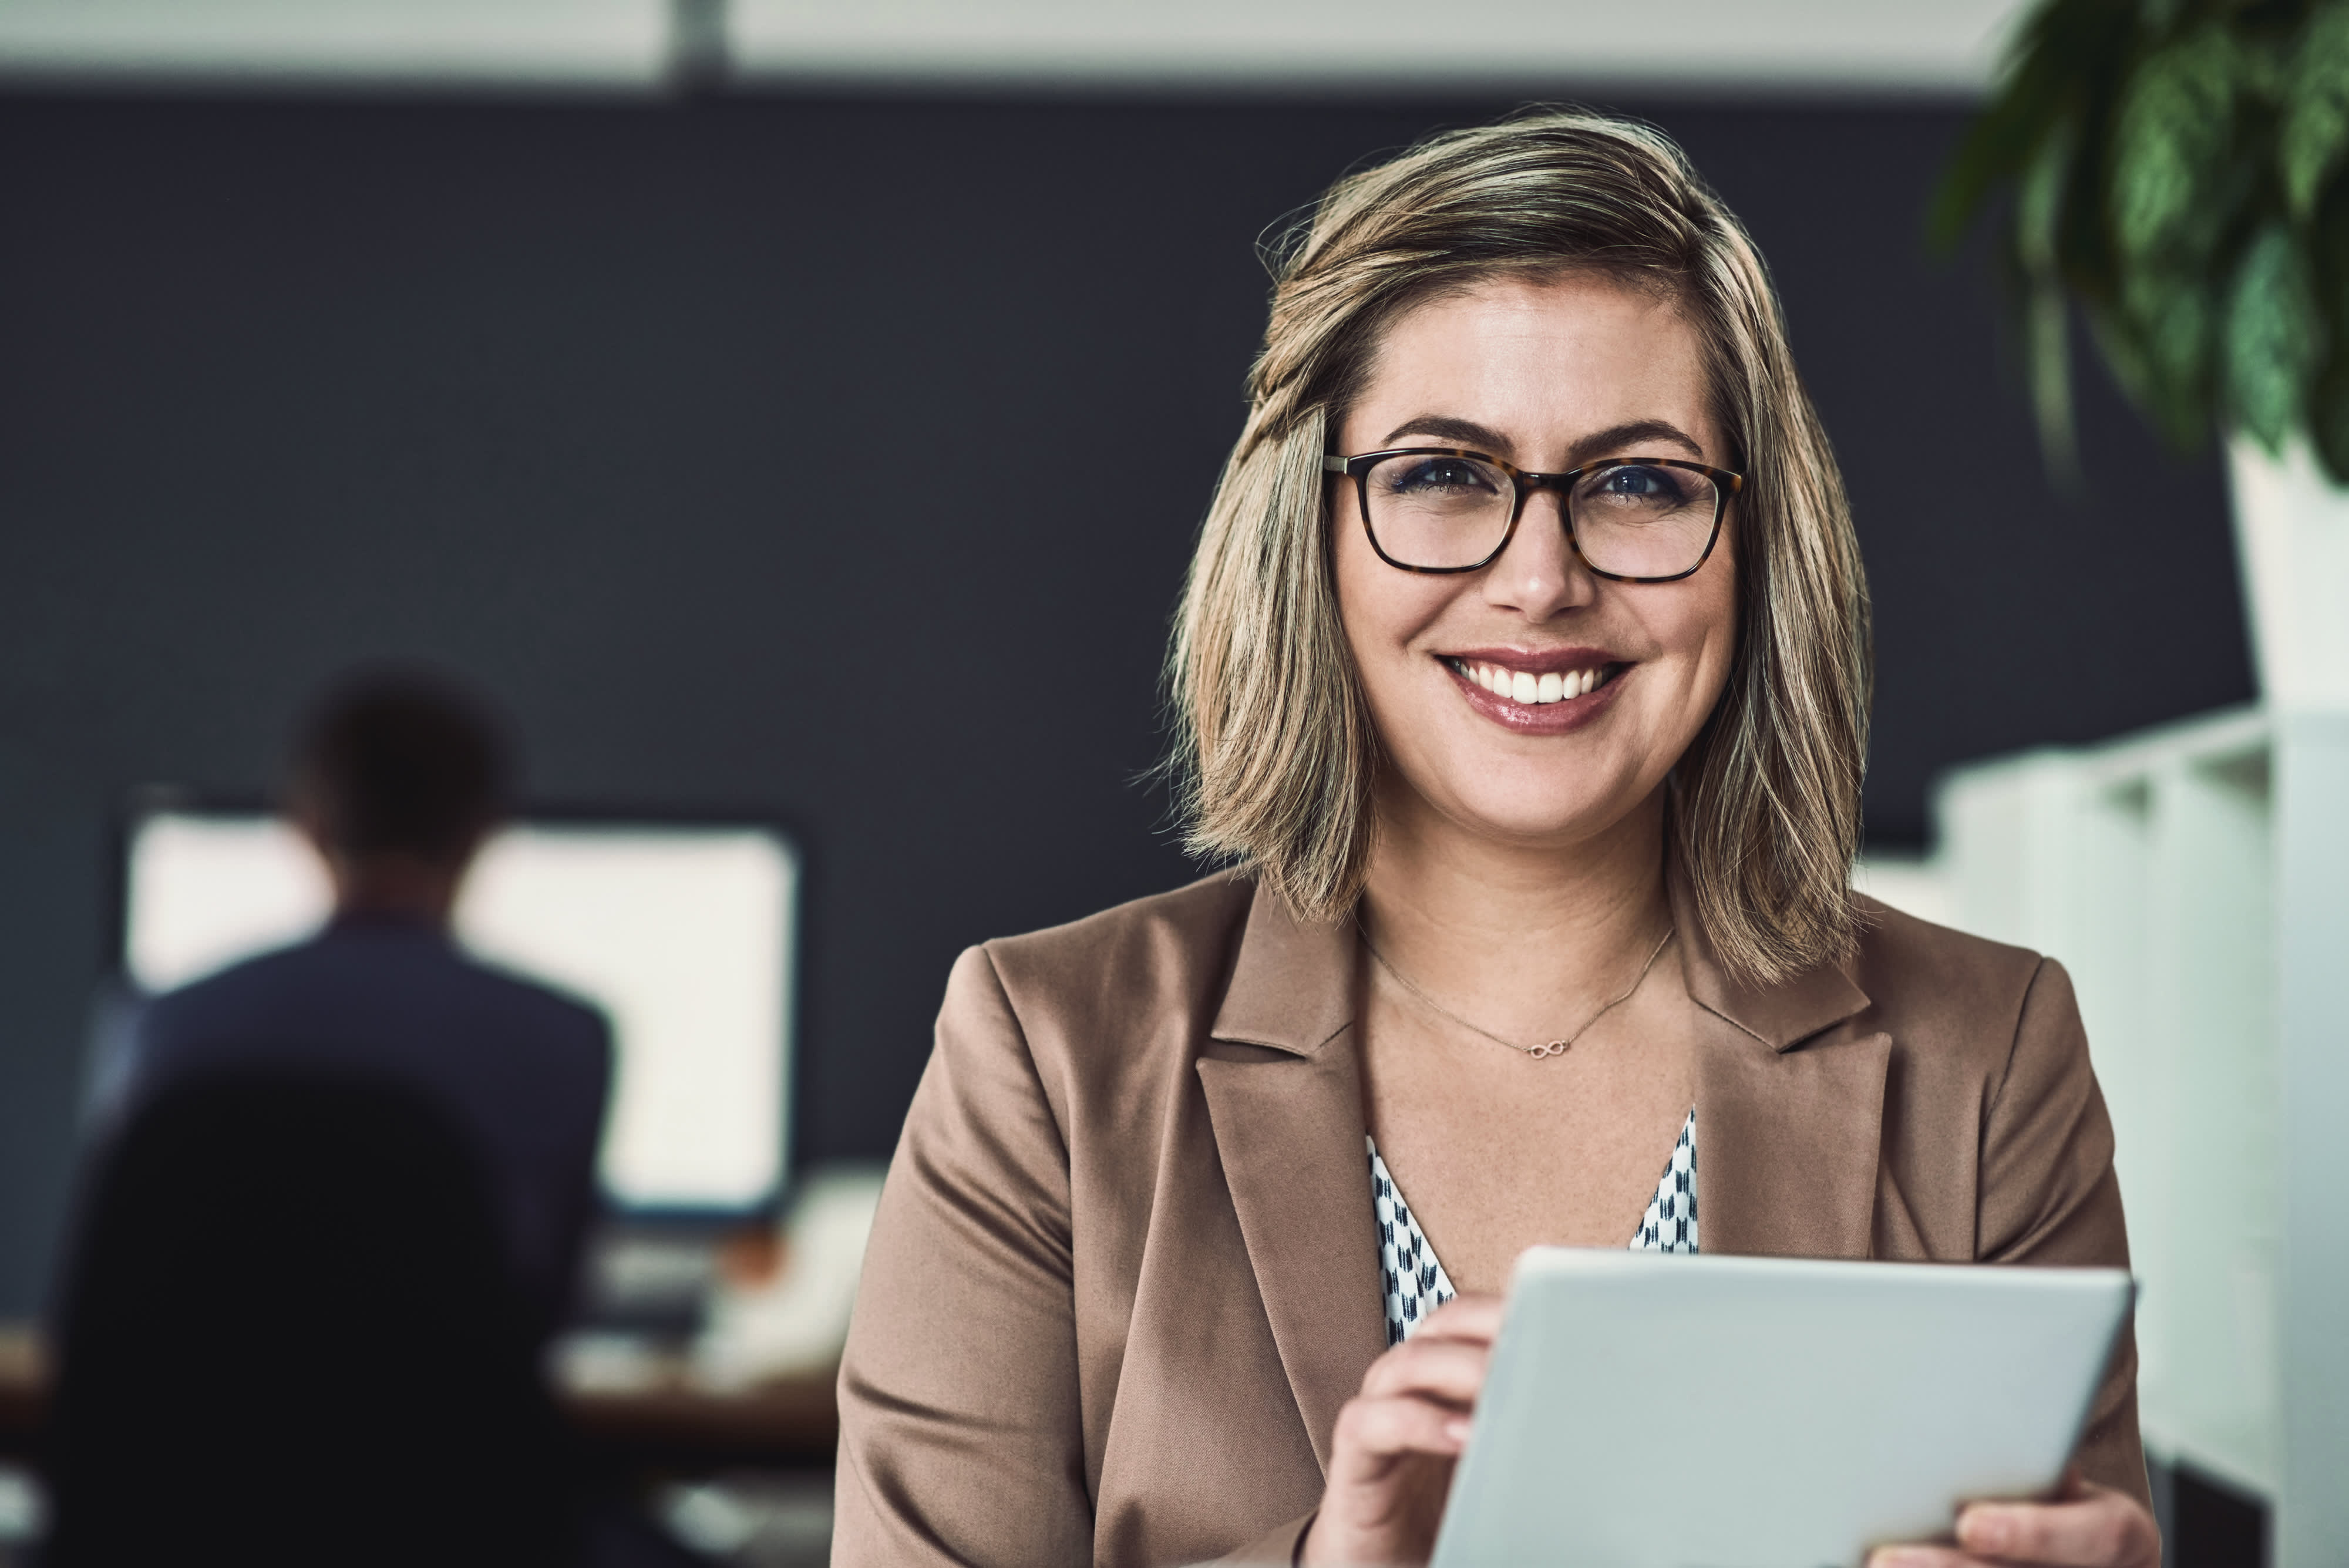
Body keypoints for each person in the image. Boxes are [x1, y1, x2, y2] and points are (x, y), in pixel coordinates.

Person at [832, 109, 2159, 1568]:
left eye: (1639, 483)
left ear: (1756, 545)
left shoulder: (1988, 1054)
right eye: (1441, 474)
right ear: (1312, 536)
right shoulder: (1045, 1055)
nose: (1539, 579)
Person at [114, 669, 613, 1342]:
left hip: (196, 1436)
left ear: (306, 825)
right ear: (482, 834)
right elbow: (546, 1310)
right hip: (449, 1436)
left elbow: (115, 1293)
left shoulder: (166, 1025)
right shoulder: (567, 1038)